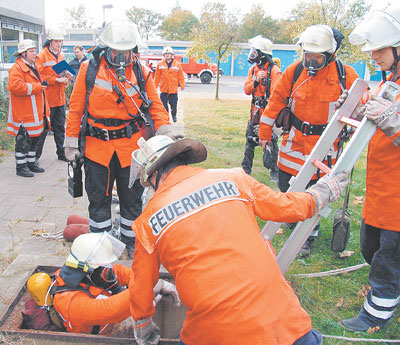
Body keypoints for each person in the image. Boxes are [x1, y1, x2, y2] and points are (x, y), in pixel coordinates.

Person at [127, 135, 349, 345]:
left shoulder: (147, 222)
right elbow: (286, 207)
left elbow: (141, 285)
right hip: (284, 328)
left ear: (154, 175)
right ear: (183, 159)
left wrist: (143, 323)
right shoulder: (233, 178)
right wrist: (320, 193)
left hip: (215, 334)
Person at [64, 21, 176, 259]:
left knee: (132, 199)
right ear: (106, 48)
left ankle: (131, 240)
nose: (122, 57)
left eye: (126, 51)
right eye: (116, 51)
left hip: (131, 149)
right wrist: (71, 143)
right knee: (98, 199)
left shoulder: (141, 71)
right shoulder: (89, 69)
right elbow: (75, 109)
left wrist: (167, 135)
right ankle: (99, 246)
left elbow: (156, 106)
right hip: (97, 148)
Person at [258, 25, 359, 257]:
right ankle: (292, 219)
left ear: (330, 55)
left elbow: (361, 104)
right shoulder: (294, 72)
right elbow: (275, 102)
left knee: (316, 190)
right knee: (287, 184)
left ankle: (307, 237)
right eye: (308, 55)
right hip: (294, 142)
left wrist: (352, 109)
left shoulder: (345, 75)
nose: (311, 61)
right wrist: (265, 134)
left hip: (325, 145)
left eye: (317, 57)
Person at [337, 5, 400, 333]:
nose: (374, 56)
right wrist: (355, 109)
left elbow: (393, 121)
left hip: (398, 199)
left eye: (380, 49)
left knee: (386, 261)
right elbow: (379, 114)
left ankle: (376, 315)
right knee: (370, 248)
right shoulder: (391, 81)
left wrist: (393, 121)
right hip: (381, 190)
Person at [27, 232, 179, 335]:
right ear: (88, 269)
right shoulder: (70, 302)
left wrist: (152, 281)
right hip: (95, 336)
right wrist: (148, 289)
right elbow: (109, 309)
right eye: (102, 266)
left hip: (105, 324)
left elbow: (120, 272)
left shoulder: (86, 272)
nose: (108, 269)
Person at [7, 39, 49, 177]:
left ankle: (31, 163)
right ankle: (21, 166)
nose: (34, 53)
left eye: (34, 50)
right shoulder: (17, 68)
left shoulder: (33, 66)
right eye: (31, 51)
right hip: (23, 114)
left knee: (34, 138)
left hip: (34, 112)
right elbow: (15, 87)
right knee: (23, 141)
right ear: (23, 53)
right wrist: (37, 87)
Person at [242, 35, 282, 180]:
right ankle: (245, 170)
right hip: (254, 112)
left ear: (261, 54)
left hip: (267, 112)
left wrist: (268, 120)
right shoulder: (253, 70)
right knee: (250, 140)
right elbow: (247, 90)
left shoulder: (274, 71)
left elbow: (276, 97)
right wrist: (256, 81)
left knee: (271, 141)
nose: (252, 54)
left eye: (255, 52)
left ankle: (274, 171)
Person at [36, 27, 71, 162]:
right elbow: (40, 77)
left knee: (60, 128)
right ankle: (35, 157)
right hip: (48, 100)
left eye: (60, 41)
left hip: (60, 99)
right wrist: (56, 80)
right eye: (56, 41)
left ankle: (61, 154)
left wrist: (67, 78)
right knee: (44, 130)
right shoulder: (42, 56)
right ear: (50, 41)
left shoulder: (60, 56)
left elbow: (62, 73)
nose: (59, 44)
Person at [154, 46, 185, 123]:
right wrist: (154, 86)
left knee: (173, 106)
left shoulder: (177, 64)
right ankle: (166, 118)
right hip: (163, 90)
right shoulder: (160, 64)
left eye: (169, 53)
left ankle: (174, 115)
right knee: (164, 107)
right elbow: (157, 76)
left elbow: (180, 76)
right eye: (166, 54)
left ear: (172, 55)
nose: (167, 55)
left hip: (173, 90)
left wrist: (182, 85)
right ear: (164, 55)